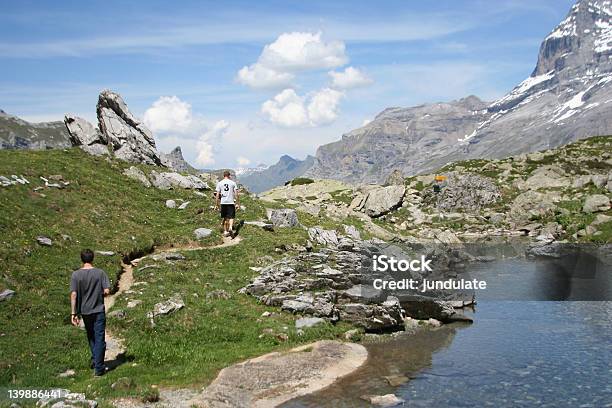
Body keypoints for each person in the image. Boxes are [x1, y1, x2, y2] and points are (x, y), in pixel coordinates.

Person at [70, 249, 111, 376]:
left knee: (91, 336)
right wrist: (101, 293)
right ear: (92, 258)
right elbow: (107, 291)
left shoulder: (76, 275)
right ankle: (99, 368)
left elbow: (73, 294)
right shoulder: (100, 273)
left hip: (85, 311)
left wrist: (73, 313)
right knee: (99, 338)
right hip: (98, 309)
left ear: (82, 259)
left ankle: (95, 360)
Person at [215, 170, 239, 237]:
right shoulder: (233, 183)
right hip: (230, 202)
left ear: (223, 176)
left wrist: (216, 204)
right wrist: (237, 203)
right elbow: (236, 194)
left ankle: (225, 231)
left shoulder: (220, 183)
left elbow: (217, 194)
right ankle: (230, 227)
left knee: (225, 217)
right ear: (229, 176)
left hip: (223, 202)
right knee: (231, 216)